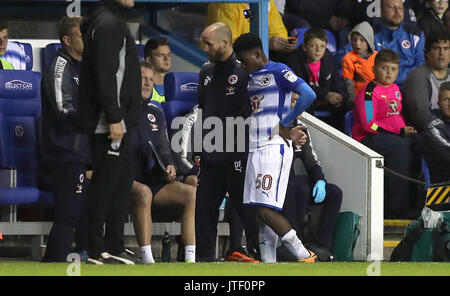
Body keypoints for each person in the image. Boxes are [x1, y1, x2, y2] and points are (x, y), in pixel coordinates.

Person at [233, 32, 317, 263]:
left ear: (257, 54)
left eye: (244, 59)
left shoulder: (278, 70)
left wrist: (287, 122)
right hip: (255, 148)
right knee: (261, 210)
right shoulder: (249, 78)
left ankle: (303, 254)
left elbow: (308, 94)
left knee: (264, 209)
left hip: (273, 148)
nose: (242, 64)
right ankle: (269, 264)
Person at [78, 0, 141, 265]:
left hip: (121, 121)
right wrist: (114, 117)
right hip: (110, 122)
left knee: (121, 184)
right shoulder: (106, 23)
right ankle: (94, 249)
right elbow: (107, 74)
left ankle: (114, 245)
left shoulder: (111, 21)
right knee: (104, 186)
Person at [195, 22, 260, 262]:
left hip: (237, 155)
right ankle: (204, 263)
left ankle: (259, 253)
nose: (205, 49)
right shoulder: (205, 73)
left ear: (225, 43)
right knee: (203, 212)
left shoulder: (244, 73)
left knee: (246, 211)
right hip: (211, 155)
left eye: (208, 44)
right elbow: (204, 110)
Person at [130, 61, 196, 264]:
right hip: (126, 178)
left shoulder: (155, 111)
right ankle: (148, 259)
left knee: (191, 193)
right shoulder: (120, 109)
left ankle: (190, 259)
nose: (147, 83)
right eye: (142, 78)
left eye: (151, 79)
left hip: (154, 179)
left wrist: (170, 165)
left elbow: (165, 147)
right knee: (143, 192)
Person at [40, 16, 90, 263]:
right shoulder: (60, 66)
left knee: (83, 216)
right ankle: (51, 264)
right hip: (65, 152)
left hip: (83, 152)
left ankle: (81, 261)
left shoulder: (83, 66)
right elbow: (62, 109)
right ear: (68, 40)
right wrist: (95, 118)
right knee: (68, 215)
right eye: (83, 34)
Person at [352, 49, 420, 219]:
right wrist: (399, 132)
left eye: (393, 68)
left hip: (396, 136)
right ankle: (397, 208)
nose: (389, 72)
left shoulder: (396, 88)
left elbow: (397, 117)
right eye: (384, 68)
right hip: (368, 139)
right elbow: (369, 125)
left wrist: (407, 130)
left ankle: (423, 202)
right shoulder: (369, 92)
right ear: (374, 69)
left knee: (423, 143)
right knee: (400, 148)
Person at [281, 97, 343, 260]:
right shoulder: (276, 125)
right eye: (294, 100)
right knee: (299, 187)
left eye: (300, 101)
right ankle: (296, 243)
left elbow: (310, 159)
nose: (299, 104)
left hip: (293, 181)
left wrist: (320, 179)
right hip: (278, 181)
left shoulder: (301, 127)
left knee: (334, 192)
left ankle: (322, 246)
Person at [285, 28, 350, 131]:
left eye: (322, 46)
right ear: (304, 47)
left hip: (325, 101)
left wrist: (340, 95)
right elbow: (301, 86)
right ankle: (306, 135)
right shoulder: (294, 61)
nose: (318, 50)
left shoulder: (328, 59)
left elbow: (337, 80)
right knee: (305, 104)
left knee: (346, 105)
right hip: (308, 101)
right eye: (313, 46)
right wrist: (326, 94)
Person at [206, 1, 296, 62]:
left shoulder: (267, 2)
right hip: (225, 58)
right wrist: (265, 42)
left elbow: (278, 32)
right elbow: (226, 43)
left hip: (256, 54)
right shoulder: (225, 4)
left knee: (293, 57)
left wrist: (286, 43)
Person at [402, 30, 450, 132]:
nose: (441, 53)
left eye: (446, 48)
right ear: (426, 53)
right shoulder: (418, 76)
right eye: (436, 48)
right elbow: (421, 117)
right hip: (425, 134)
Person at [373, 0, 425, 87]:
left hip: (411, 86)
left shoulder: (415, 33)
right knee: (368, 95)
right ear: (381, 11)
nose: (397, 11)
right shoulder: (371, 34)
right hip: (380, 87)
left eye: (400, 8)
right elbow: (368, 67)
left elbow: (420, 66)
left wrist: (392, 76)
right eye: (392, 7)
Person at [342, 21, 378, 102]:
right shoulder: (348, 58)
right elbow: (348, 84)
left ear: (369, 41)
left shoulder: (377, 57)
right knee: (369, 113)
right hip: (359, 98)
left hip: (377, 96)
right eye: (354, 39)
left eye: (362, 40)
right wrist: (353, 103)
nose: (357, 43)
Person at [422, 81, 450, 184]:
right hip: (441, 186)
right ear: (438, 103)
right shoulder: (432, 124)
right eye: (446, 100)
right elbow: (446, 152)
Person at [143, 37, 172, 103]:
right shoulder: (142, 88)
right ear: (149, 60)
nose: (166, 59)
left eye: (169, 55)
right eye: (161, 55)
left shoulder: (176, 87)